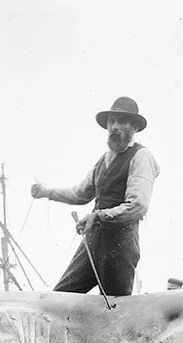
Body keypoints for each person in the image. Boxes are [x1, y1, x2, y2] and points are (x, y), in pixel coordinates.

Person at [32, 97, 159, 296]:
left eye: (122, 122)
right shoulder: (103, 161)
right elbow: (81, 193)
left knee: (115, 308)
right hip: (93, 241)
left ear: (134, 127)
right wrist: (47, 192)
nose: (115, 127)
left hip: (120, 244)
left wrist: (98, 216)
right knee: (61, 298)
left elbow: (137, 206)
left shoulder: (141, 157)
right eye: (112, 121)